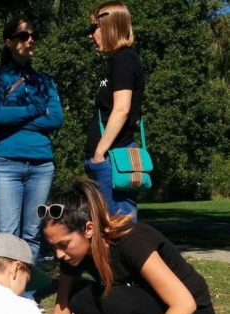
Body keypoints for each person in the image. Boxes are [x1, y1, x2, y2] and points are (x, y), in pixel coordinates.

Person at [39, 178, 216, 314]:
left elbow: (184, 304)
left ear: (88, 229)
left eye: (63, 245)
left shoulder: (132, 240)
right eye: (53, 246)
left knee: (113, 299)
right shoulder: (73, 255)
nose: (58, 254)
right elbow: (60, 313)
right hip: (155, 311)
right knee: (78, 297)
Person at [0, 18, 63, 266]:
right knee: (8, 235)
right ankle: (8, 293)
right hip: (7, 164)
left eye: (33, 35)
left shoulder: (45, 81)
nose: (30, 39)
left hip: (42, 166)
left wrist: (15, 118)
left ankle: (26, 290)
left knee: (32, 234)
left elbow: (56, 119)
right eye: (23, 36)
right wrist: (35, 109)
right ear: (9, 43)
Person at [84, 1, 144, 220]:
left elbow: (121, 110)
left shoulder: (123, 59)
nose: (90, 35)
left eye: (93, 28)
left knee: (121, 229)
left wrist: (99, 153)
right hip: (108, 159)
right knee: (111, 230)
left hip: (111, 159)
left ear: (109, 26)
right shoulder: (117, 61)